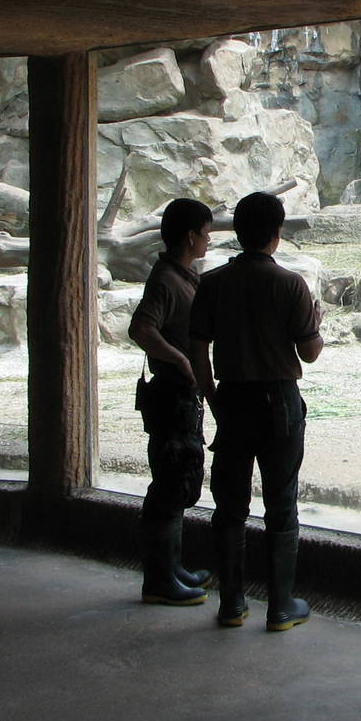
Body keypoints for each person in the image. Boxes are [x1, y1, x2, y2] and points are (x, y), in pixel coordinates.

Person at [189, 191, 324, 631]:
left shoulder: (212, 283)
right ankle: (281, 607)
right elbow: (309, 354)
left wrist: (212, 398)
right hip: (279, 404)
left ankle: (231, 604)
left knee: (229, 505)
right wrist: (317, 326)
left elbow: (197, 349)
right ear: (277, 234)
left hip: (232, 399)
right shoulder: (290, 284)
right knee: (281, 504)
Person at [128, 197, 214, 606]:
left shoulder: (181, 275)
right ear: (191, 236)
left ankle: (172, 568)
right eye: (206, 232)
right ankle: (159, 580)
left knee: (179, 480)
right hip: (170, 394)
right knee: (169, 483)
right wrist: (180, 359)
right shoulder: (166, 279)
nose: (209, 239)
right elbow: (142, 328)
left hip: (181, 394)